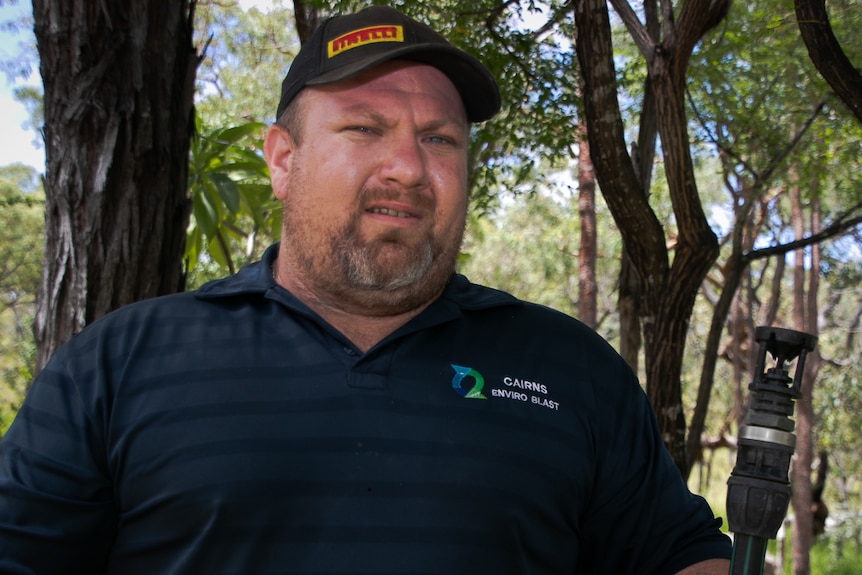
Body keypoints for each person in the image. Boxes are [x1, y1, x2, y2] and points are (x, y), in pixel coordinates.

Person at [0, 6, 732, 574]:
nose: (409, 167)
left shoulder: (571, 369)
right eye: (365, 128)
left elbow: (679, 552)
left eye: (440, 139)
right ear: (283, 160)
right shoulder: (120, 363)